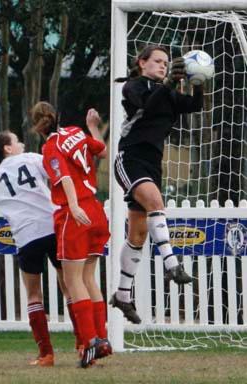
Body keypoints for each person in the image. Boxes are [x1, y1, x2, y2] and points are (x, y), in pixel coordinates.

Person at [0, 131, 77, 367]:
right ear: (7, 149)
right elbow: (57, 175)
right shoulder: (31, 158)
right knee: (70, 287)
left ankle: (46, 354)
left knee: (33, 295)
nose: (21, 143)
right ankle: (84, 345)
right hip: (53, 228)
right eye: (16, 140)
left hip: (27, 236)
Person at [110, 45, 204, 324]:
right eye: (158, 61)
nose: (163, 65)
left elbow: (195, 106)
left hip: (152, 164)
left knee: (137, 234)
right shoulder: (134, 86)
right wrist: (166, 83)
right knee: (156, 203)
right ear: (142, 63)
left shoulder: (168, 92)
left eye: (166, 62)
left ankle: (122, 296)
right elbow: (147, 105)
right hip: (131, 159)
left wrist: (198, 82)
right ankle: (171, 265)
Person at [32, 102, 112, 368]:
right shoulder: (76, 132)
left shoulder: (50, 147)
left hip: (74, 213)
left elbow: (63, 177)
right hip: (97, 209)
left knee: (72, 279)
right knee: (89, 277)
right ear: (58, 116)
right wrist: (93, 127)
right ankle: (102, 339)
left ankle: (89, 342)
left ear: (37, 126)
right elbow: (103, 151)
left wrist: (74, 206)